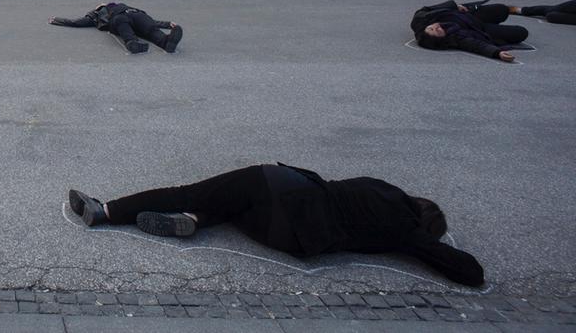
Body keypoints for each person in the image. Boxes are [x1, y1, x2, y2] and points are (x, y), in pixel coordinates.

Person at [66, 164, 484, 287]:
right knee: (228, 208)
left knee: (191, 191)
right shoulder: (404, 236)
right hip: (293, 240)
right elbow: (471, 272)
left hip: (283, 190)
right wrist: (421, 242)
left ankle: (106, 210)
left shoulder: (388, 192)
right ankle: (194, 222)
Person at [410, 0, 529, 62]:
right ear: (444, 36)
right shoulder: (454, 36)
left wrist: (454, 6)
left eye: (432, 28)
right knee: (521, 33)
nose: (437, 26)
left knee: (501, 9)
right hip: (480, 28)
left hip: (467, 14)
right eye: (439, 30)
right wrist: (497, 53)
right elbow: (475, 45)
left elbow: (427, 8)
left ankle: (518, 10)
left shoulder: (421, 20)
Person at [50, 3, 183, 54]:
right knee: (125, 26)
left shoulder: (123, 5)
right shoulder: (97, 14)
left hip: (137, 15)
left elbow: (152, 21)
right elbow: (77, 22)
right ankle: (132, 43)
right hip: (120, 17)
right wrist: (57, 20)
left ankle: (167, 42)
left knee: (150, 28)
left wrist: (167, 24)